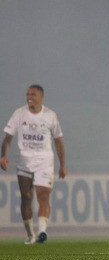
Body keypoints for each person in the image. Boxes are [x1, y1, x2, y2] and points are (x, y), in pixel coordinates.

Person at [1, 84, 66, 244]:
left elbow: (58, 142)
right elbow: (8, 138)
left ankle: (42, 232)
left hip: (45, 161)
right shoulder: (19, 114)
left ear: (41, 97)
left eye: (33, 94)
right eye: (27, 94)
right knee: (26, 198)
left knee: (43, 195)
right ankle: (30, 234)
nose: (29, 97)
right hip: (24, 161)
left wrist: (62, 164)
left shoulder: (50, 116)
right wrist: (3, 155)